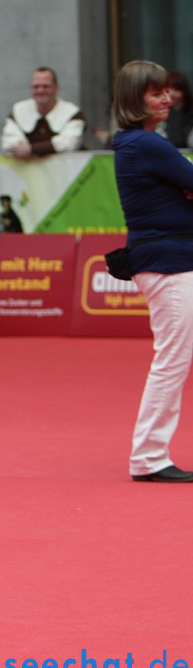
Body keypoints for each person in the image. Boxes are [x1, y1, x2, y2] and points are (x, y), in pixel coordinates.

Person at [112, 60, 193, 483]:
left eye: (167, 91)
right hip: (167, 261)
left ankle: (150, 453)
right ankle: (148, 457)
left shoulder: (138, 143)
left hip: (170, 258)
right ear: (134, 98)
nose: (167, 98)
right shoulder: (147, 146)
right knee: (173, 358)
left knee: (175, 355)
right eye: (155, 92)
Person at [1, 66, 86, 159]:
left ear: (56, 88)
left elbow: (69, 143)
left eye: (46, 86)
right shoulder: (18, 110)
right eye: (36, 86)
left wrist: (32, 149)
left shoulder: (72, 113)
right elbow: (8, 143)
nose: (40, 91)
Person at [160, 70, 193, 149]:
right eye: (167, 90)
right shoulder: (161, 113)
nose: (171, 94)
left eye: (176, 89)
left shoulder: (190, 113)